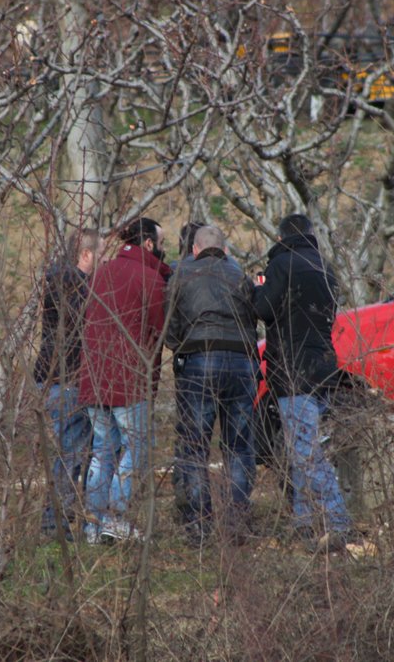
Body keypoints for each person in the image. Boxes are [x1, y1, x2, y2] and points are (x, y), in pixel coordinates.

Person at [253, 213, 354, 553]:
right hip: (324, 366)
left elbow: (264, 309)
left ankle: (338, 523)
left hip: (292, 369)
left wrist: (257, 287)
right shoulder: (325, 268)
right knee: (302, 447)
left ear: (282, 238)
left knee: (305, 451)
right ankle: (304, 524)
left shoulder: (282, 264)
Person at [165, 225, 260, 547]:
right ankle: (237, 524)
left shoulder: (181, 275)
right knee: (239, 447)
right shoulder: (240, 276)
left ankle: (199, 528)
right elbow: (254, 318)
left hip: (199, 362)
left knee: (194, 449)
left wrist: (184, 348)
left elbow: (170, 329)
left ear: (194, 249)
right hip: (242, 362)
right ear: (225, 250)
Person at [79, 217, 170, 543]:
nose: (164, 249)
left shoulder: (98, 275)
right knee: (137, 448)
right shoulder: (150, 279)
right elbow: (161, 334)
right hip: (129, 382)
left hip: (93, 379)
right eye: (161, 243)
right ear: (148, 244)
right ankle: (114, 518)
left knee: (102, 451)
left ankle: (93, 524)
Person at [36, 228, 104, 540]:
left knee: (75, 452)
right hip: (66, 379)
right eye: (100, 252)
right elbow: (81, 328)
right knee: (72, 454)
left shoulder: (63, 282)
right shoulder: (72, 286)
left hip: (59, 378)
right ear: (86, 254)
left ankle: (61, 519)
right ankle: (54, 524)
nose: (104, 260)